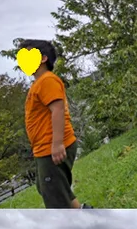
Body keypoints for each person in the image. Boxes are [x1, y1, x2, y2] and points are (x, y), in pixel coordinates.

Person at [20, 39, 92, 209]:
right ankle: (82, 212)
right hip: (43, 149)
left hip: (52, 148)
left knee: (54, 196)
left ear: (43, 58)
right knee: (51, 188)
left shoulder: (47, 81)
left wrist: (57, 144)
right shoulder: (39, 83)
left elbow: (58, 110)